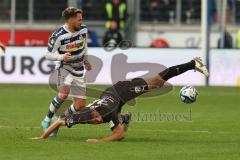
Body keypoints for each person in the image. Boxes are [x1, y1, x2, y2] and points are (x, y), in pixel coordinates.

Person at [33, 57, 208, 142]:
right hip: (112, 97)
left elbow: (118, 134)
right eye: (95, 119)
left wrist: (98, 141)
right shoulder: (83, 116)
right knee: (117, 121)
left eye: (96, 119)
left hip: (122, 91)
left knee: (157, 82)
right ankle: (124, 118)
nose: (96, 121)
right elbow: (59, 123)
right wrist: (42, 137)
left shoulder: (106, 114)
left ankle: (193, 63)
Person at [41, 7, 92, 134]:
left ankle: (58, 121)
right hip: (64, 67)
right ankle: (47, 119)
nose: (81, 21)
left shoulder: (83, 29)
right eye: (79, 19)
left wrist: (86, 59)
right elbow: (47, 55)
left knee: (80, 105)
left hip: (79, 67)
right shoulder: (58, 36)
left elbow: (84, 45)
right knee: (64, 93)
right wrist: (61, 56)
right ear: (71, 19)